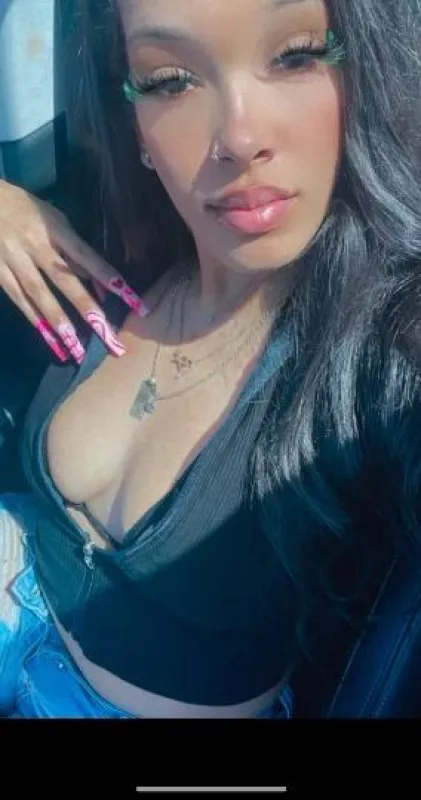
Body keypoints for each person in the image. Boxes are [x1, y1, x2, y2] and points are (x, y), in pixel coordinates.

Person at [0, 0, 421, 719]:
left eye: (294, 54)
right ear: (135, 126)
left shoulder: (385, 347)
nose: (239, 138)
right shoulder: (113, 249)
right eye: (170, 80)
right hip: (20, 592)